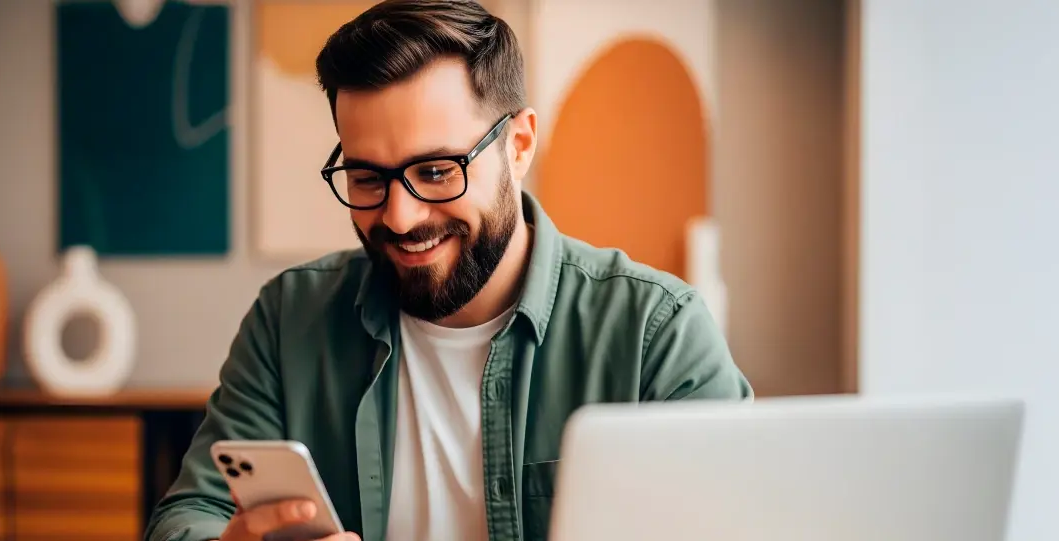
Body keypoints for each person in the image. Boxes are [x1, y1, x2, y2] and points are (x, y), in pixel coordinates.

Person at [145, 1, 752, 540]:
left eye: (436, 171)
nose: (401, 217)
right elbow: (186, 516)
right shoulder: (288, 319)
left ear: (518, 146)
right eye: (367, 178)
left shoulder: (657, 334)